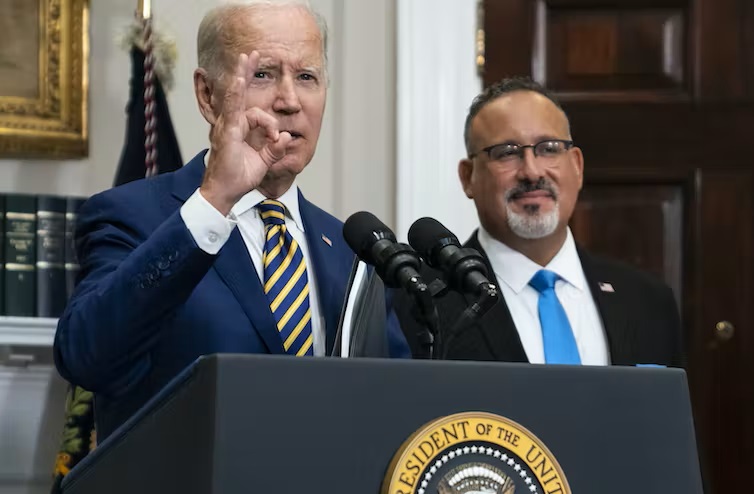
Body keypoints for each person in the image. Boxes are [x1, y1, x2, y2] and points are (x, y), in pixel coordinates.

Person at [53, 0, 410, 443]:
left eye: (307, 77)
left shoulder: (353, 249)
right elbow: (87, 357)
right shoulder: (132, 216)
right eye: (263, 74)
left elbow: (397, 404)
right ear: (207, 95)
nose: (289, 101)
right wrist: (214, 201)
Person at [397, 77, 684, 367]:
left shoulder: (648, 302)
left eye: (548, 148)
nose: (532, 172)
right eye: (507, 152)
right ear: (468, 177)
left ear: (577, 166)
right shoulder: (418, 303)